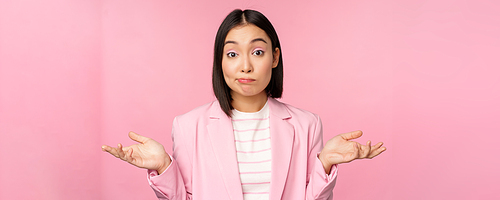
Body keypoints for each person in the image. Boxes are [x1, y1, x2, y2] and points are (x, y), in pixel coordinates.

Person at [102, 9, 386, 200]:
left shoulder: (306, 124)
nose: (246, 66)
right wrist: (164, 166)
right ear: (220, 61)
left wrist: (325, 163)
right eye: (233, 53)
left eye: (258, 52)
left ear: (274, 58)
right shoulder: (189, 126)